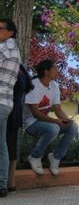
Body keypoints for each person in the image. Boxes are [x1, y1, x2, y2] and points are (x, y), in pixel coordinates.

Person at [23, 59, 78, 176]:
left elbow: (58, 109)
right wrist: (56, 121)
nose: (57, 71)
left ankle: (56, 157)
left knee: (72, 127)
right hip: (31, 123)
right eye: (54, 68)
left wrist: (66, 119)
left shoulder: (54, 86)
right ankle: (34, 156)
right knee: (54, 128)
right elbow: (35, 113)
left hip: (45, 123)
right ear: (46, 71)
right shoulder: (33, 85)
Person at [0, 19, 20, 198]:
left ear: (11, 32)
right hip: (5, 103)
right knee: (1, 144)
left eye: (0, 28)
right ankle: (2, 184)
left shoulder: (5, 49)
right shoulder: (13, 50)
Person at [7, 64, 33, 193]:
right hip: (15, 113)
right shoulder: (21, 68)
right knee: (11, 148)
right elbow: (29, 87)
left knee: (6, 147)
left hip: (7, 112)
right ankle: (10, 183)